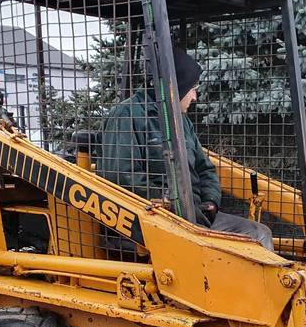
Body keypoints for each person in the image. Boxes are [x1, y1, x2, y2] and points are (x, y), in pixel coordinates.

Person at [99, 49, 274, 250]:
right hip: (155, 221)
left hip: (193, 215)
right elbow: (120, 177)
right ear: (177, 87)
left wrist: (210, 201)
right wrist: (172, 203)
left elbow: (204, 168)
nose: (195, 97)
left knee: (258, 234)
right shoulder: (127, 115)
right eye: (193, 89)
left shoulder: (181, 121)